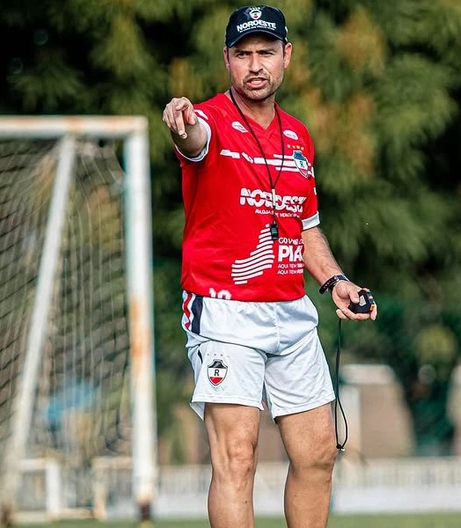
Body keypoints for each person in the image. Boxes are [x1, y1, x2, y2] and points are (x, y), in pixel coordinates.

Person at [161, 5, 377, 527]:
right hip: (224, 312)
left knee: (318, 453)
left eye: (265, 52)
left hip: (291, 311)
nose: (255, 64)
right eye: (243, 54)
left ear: (287, 57)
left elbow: (304, 227)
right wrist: (181, 123)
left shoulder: (299, 137)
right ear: (227, 61)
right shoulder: (208, 121)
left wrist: (336, 281)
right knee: (237, 459)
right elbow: (192, 141)